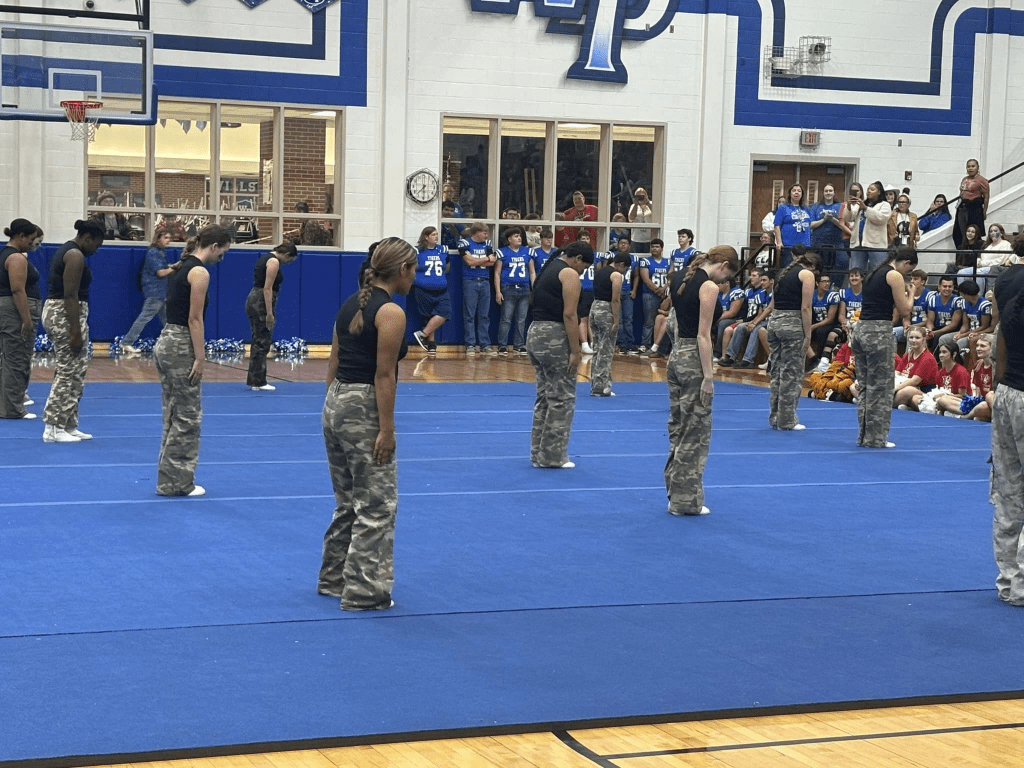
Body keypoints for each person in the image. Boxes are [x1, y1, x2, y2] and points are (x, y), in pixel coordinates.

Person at [318, 237, 417, 611]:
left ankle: (334, 578)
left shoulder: (350, 304)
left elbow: (334, 359)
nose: (416, 277)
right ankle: (364, 591)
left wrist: (330, 406)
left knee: (347, 501)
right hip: (362, 405)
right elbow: (384, 375)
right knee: (376, 504)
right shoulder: (390, 312)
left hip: (337, 400)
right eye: (414, 269)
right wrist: (387, 429)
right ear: (402, 270)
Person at [154, 225, 234, 496]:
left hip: (167, 341)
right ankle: (178, 482)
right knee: (188, 417)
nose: (222, 257)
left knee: (173, 413)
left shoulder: (182, 266)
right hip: (180, 343)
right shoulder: (199, 272)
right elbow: (194, 318)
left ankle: (169, 479)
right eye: (223, 252)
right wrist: (200, 357)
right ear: (214, 247)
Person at [664, 246, 740, 516]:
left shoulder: (681, 276)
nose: (723, 282)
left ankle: (676, 492)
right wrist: (708, 375)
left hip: (676, 356)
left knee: (679, 427)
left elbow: (672, 321)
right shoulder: (707, 287)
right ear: (722, 265)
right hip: (694, 359)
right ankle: (685, 501)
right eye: (724, 277)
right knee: (694, 431)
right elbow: (704, 335)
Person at [526, 240, 593, 468]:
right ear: (577, 259)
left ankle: (538, 452)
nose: (583, 272)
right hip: (554, 336)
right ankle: (553, 456)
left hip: (535, 332)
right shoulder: (569, 274)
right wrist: (576, 350)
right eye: (584, 267)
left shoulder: (549, 267)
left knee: (545, 396)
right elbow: (570, 315)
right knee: (562, 398)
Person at [41, 219, 106, 443]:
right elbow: (69, 295)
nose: (96, 250)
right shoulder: (75, 255)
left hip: (71, 313)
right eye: (96, 245)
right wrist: (75, 332)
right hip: (64, 313)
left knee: (77, 371)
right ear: (87, 239)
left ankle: (67, 423)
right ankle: (52, 426)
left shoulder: (75, 253)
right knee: (67, 370)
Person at [851, 247, 917, 447]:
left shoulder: (873, 272)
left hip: (861, 330)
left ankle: (864, 435)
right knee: (880, 387)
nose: (906, 274)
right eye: (909, 270)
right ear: (905, 263)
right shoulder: (894, 275)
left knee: (865, 387)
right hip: (878, 332)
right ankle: (876, 438)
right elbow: (905, 310)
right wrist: (911, 293)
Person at [991, 258, 1024, 605]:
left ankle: (1008, 581)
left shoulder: (1011, 299)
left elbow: (999, 347)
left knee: (1009, 492)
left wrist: (999, 392)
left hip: (1007, 394)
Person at [766, 247, 818, 430]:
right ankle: (787, 419)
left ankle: (775, 416)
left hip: (774, 322)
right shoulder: (806, 275)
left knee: (777, 372)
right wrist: (808, 334)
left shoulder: (782, 273)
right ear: (811, 265)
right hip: (792, 324)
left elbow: (772, 303)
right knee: (791, 373)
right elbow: (805, 307)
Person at [0, 218, 41, 420]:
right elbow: (17, 290)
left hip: (8, 309)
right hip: (14, 311)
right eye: (30, 239)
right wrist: (26, 319)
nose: (32, 243)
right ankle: (13, 408)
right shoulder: (16, 258)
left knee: (9, 358)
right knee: (17, 358)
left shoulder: (7, 255)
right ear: (20, 236)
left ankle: (6, 405)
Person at [245, 242, 298, 391]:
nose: (288, 263)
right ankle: (258, 381)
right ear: (287, 255)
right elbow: (267, 288)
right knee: (262, 341)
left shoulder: (265, 257)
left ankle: (255, 380)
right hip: (261, 301)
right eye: (289, 260)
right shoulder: (274, 262)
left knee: (258, 340)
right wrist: (269, 313)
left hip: (254, 298)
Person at [120, 229, 175, 357]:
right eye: (165, 237)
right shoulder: (154, 252)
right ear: (158, 238)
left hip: (161, 291)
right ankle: (127, 341)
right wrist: (174, 267)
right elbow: (161, 272)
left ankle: (173, 343)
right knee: (145, 317)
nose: (168, 240)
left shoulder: (160, 252)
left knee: (167, 319)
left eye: (169, 237)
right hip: (155, 291)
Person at [590, 252, 630, 396]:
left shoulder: (600, 271)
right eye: (625, 269)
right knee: (606, 350)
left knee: (597, 349)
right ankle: (601, 387)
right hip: (606, 309)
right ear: (621, 265)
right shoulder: (616, 275)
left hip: (594, 307)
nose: (624, 272)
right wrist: (616, 320)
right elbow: (615, 300)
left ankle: (595, 383)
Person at [456, 223, 497, 355]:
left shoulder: (487, 244)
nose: (486, 235)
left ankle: (485, 344)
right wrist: (485, 258)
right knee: (469, 314)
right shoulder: (465, 243)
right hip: (470, 280)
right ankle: (470, 344)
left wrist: (477, 259)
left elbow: (493, 262)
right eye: (484, 233)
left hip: (485, 281)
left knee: (484, 315)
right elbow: (470, 262)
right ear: (477, 233)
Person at [935, 333, 994, 420]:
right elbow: (978, 394)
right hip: (981, 404)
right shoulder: (978, 365)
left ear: (992, 348)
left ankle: (966, 416)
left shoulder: (998, 367)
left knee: (987, 398)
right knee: (942, 399)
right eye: (977, 345)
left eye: (982, 346)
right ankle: (970, 413)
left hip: (993, 404)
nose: (978, 348)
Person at [411, 226, 450, 356]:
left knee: (445, 312)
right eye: (433, 234)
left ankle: (423, 334)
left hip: (441, 288)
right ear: (426, 237)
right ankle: (431, 344)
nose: (436, 237)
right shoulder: (417, 251)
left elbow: (447, 267)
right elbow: (411, 268)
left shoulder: (443, 249)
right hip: (423, 288)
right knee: (428, 316)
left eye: (437, 234)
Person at [494, 227, 532, 355]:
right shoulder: (502, 252)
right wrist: (498, 291)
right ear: (509, 239)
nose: (519, 238)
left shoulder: (528, 252)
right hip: (508, 288)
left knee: (522, 319)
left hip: (524, 289)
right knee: (506, 318)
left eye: (520, 236)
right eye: (516, 236)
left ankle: (519, 345)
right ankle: (502, 345)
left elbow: (532, 272)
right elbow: (497, 273)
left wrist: (534, 288)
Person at [844, 181, 891, 272]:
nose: (869, 191)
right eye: (868, 189)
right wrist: (849, 207)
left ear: (879, 192)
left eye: (872, 189)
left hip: (876, 245)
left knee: (877, 272)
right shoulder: (862, 203)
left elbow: (881, 218)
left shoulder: (885, 205)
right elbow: (849, 218)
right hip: (858, 243)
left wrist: (865, 208)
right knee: (856, 271)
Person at [892, 325, 940, 411]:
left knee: (905, 391)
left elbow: (915, 380)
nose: (913, 340)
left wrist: (895, 388)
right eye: (911, 337)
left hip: (923, 391)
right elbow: (897, 372)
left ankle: (887, 405)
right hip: (904, 384)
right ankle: (908, 406)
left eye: (917, 338)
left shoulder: (927, 358)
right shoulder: (908, 354)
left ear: (924, 339)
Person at [639, 238, 670, 353]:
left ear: (661, 248)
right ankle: (645, 344)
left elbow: (670, 277)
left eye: (657, 247)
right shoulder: (645, 261)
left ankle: (658, 345)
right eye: (652, 247)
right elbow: (646, 279)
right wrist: (658, 290)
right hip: (649, 294)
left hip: (664, 295)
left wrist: (664, 289)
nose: (654, 249)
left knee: (661, 320)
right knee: (649, 321)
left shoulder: (668, 262)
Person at [953, 159, 989, 249]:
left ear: (977, 167)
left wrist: (984, 211)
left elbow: (986, 197)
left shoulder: (982, 180)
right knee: (961, 233)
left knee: (973, 233)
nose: (970, 168)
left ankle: (973, 253)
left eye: (973, 166)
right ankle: (962, 252)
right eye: (968, 166)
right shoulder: (964, 179)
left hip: (974, 209)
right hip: (962, 208)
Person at [810, 184, 845, 276]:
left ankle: (835, 286)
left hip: (837, 243)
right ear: (823, 193)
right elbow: (811, 224)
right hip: (819, 242)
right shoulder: (816, 206)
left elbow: (844, 225)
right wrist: (824, 219)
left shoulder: (841, 206)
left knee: (840, 265)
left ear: (834, 193)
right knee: (819, 266)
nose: (828, 193)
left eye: (830, 191)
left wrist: (832, 219)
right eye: (826, 191)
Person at [773, 184, 811, 267]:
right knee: (788, 268)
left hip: (805, 245)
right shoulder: (783, 208)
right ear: (790, 194)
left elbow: (811, 224)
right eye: (794, 191)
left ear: (802, 194)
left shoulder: (806, 208)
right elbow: (776, 226)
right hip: (788, 245)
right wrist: (779, 242)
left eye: (799, 191)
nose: (796, 193)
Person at [807, 273, 840, 366]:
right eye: (824, 281)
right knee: (802, 331)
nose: (827, 284)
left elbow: (830, 319)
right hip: (815, 322)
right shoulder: (811, 294)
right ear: (817, 283)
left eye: (828, 281)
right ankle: (812, 360)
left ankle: (821, 360)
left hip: (829, 324)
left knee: (820, 332)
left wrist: (813, 327)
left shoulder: (833, 295)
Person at [926, 276, 965, 351]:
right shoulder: (933, 299)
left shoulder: (957, 301)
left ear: (953, 288)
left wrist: (936, 332)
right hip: (936, 328)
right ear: (939, 287)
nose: (947, 289)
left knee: (937, 338)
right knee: (920, 335)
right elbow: (930, 321)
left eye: (950, 286)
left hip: (950, 330)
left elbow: (954, 325)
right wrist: (929, 331)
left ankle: (936, 361)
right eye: (944, 286)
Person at [627, 187, 654, 253]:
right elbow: (631, 218)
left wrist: (647, 202)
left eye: (642, 196)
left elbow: (656, 214)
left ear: (646, 195)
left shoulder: (651, 204)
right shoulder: (633, 206)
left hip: (649, 238)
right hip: (636, 238)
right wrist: (636, 204)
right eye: (638, 196)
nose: (640, 198)